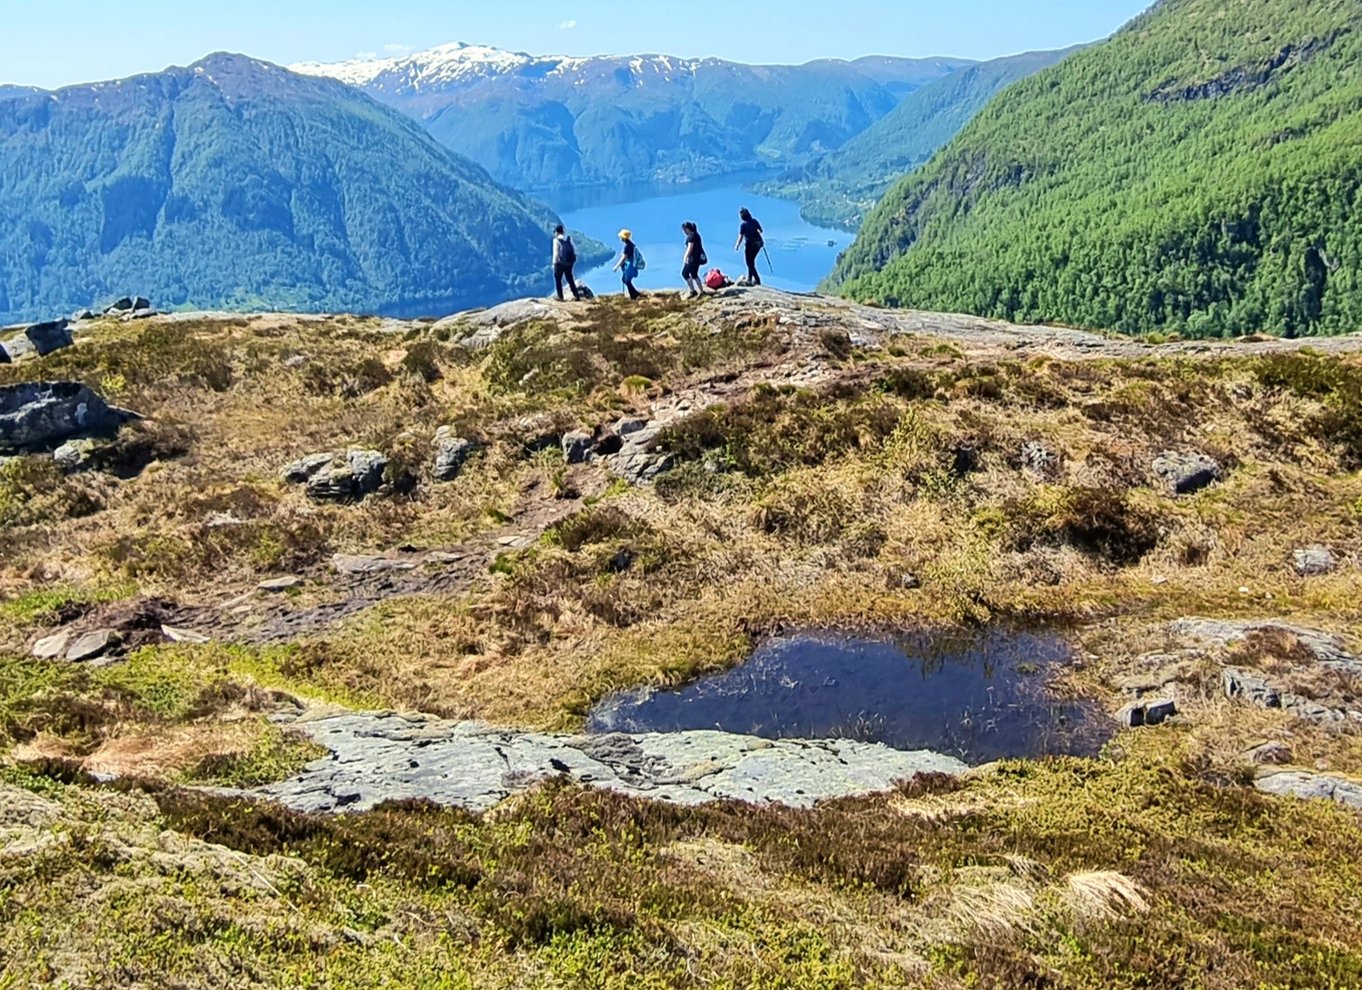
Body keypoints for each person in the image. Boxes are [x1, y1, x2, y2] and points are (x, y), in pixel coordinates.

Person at [734, 207, 764, 286]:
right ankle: (750, 279)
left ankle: (757, 280)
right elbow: (761, 230)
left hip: (750, 246)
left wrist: (737, 245)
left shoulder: (743, 225)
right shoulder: (754, 221)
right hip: (758, 245)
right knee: (751, 262)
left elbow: (740, 237)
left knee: (749, 263)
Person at [551, 224, 581, 301]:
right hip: (569, 263)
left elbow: (556, 254)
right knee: (570, 279)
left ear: (557, 232)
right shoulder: (568, 238)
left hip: (560, 263)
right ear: (563, 231)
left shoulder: (556, 240)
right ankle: (576, 295)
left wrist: (554, 264)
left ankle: (560, 297)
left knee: (558, 280)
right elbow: (575, 249)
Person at [680, 221, 709, 298]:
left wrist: (685, 256)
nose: (684, 232)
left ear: (687, 229)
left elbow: (690, 247)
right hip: (697, 259)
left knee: (685, 273)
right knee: (694, 274)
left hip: (692, 259)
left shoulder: (691, 236)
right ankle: (701, 292)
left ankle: (692, 291)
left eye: (684, 229)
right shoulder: (697, 235)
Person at [612, 228, 642, 300]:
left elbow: (624, 257)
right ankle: (634, 294)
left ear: (623, 237)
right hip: (632, 265)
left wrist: (617, 266)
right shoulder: (631, 245)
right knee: (626, 280)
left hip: (629, 266)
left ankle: (634, 295)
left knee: (626, 280)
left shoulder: (627, 246)